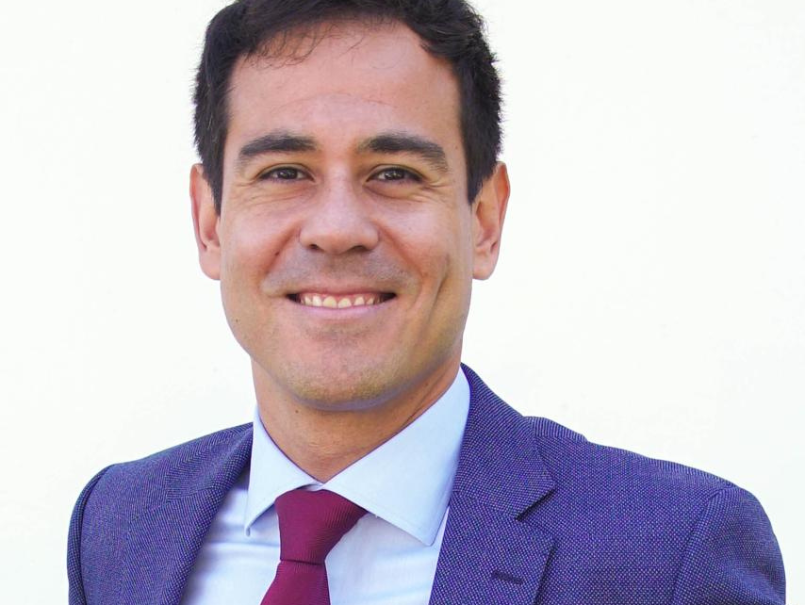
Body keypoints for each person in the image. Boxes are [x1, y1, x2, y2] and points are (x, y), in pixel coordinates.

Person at [67, 0, 786, 603]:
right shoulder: (121, 526)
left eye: (395, 173)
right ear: (209, 222)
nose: (337, 229)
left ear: (484, 220)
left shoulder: (671, 555)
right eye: (285, 172)